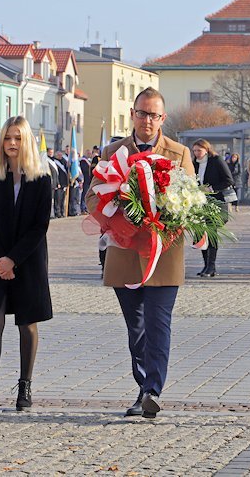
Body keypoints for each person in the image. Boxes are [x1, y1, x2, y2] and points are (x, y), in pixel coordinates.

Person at [87, 86, 194, 419]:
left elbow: (192, 201)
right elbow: (92, 198)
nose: (147, 120)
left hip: (163, 252)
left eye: (154, 114)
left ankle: (152, 390)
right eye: (142, 113)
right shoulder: (112, 151)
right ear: (132, 114)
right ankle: (142, 385)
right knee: (135, 326)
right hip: (124, 250)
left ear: (163, 118)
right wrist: (117, 210)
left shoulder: (179, 153)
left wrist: (168, 215)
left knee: (157, 322)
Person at [0, 115, 53, 418]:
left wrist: (14, 259)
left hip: (28, 261)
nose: (11, 144)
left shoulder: (42, 178)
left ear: (27, 141)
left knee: (26, 324)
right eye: (7, 138)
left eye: (17, 138)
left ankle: (25, 386)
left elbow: (40, 225)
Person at [192, 139, 233, 278]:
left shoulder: (216, 160)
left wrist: (211, 188)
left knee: (211, 232)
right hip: (200, 203)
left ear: (206, 150)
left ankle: (212, 265)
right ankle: (206, 265)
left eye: (199, 150)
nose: (197, 153)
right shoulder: (194, 163)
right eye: (194, 150)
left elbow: (228, 180)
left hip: (216, 202)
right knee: (200, 234)